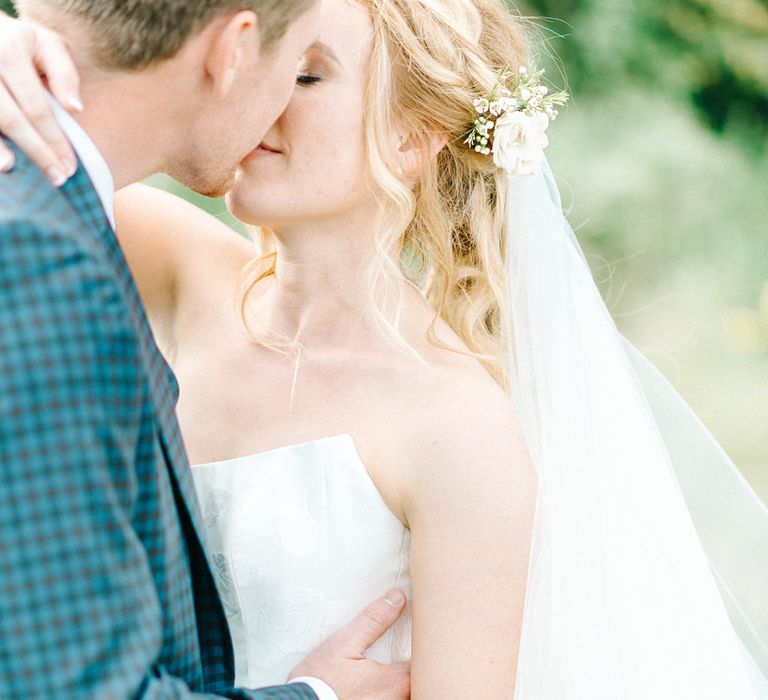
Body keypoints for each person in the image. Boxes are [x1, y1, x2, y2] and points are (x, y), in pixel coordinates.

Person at [4, 0, 768, 697]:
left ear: (410, 138)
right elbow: (68, 148)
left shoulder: (458, 427)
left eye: (306, 74)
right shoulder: (187, 270)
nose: (263, 93)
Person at [0, 2, 412, 699]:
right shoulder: (39, 257)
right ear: (234, 50)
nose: (284, 98)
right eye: (299, 63)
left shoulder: (52, 217)